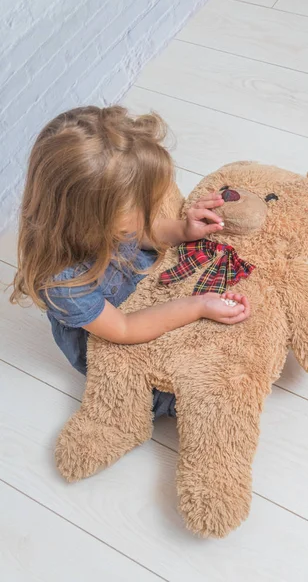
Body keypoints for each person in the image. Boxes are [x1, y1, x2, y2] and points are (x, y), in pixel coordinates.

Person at [10, 106, 250, 417]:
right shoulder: (63, 283)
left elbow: (142, 232)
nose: (151, 213)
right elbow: (124, 328)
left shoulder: (102, 220)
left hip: (141, 288)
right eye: (140, 208)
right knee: (182, 397)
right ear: (92, 220)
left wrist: (182, 230)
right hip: (117, 333)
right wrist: (198, 306)